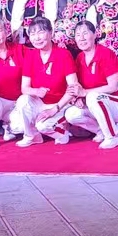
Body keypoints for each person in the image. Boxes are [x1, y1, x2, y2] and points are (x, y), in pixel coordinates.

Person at [65, 20, 118, 149]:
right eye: (78, 35)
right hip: (98, 102)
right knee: (71, 114)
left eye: (85, 33)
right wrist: (78, 98)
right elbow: (79, 87)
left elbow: (113, 87)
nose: (81, 38)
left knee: (93, 97)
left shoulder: (106, 54)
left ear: (95, 35)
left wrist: (85, 93)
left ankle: (113, 136)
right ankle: (101, 130)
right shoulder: (79, 58)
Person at [13, 16, 78, 146]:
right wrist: (36, 91)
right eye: (33, 34)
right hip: (40, 103)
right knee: (21, 106)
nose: (37, 38)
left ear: (50, 32)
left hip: (60, 104)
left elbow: (73, 87)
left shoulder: (63, 55)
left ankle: (63, 131)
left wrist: (55, 108)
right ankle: (32, 136)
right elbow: (24, 88)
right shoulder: (31, 56)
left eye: (41, 32)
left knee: (43, 126)